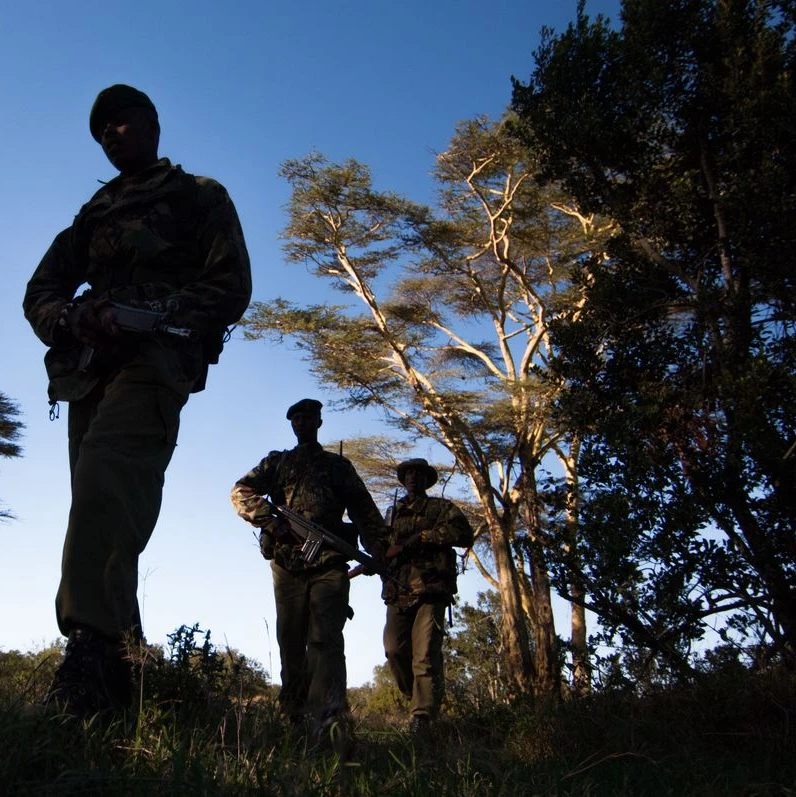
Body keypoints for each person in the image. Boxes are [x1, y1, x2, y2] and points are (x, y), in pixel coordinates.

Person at [23, 84, 252, 719]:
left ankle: (91, 656)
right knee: (103, 505)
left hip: (155, 362)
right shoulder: (90, 216)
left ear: (152, 123)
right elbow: (39, 291)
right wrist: (74, 318)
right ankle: (128, 664)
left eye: (121, 121)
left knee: (105, 480)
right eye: (101, 129)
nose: (110, 133)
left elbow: (230, 286)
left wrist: (151, 315)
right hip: (88, 373)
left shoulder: (198, 196)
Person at [230, 399, 386, 737]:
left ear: (318, 422)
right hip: (287, 564)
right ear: (292, 424)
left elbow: (365, 511)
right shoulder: (277, 462)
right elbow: (240, 491)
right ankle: (293, 716)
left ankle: (329, 718)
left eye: (308, 418)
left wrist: (380, 554)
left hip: (329, 561)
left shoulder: (337, 466)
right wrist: (271, 521)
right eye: (296, 418)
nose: (302, 423)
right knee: (290, 640)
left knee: (326, 639)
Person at [376, 458, 474, 730]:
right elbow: (382, 546)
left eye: (417, 474)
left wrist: (421, 539)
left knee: (425, 655)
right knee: (393, 650)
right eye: (407, 473)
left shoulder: (441, 508)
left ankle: (423, 717)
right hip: (397, 591)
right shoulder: (391, 513)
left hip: (430, 590)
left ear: (426, 479)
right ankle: (416, 696)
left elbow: (464, 534)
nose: (411, 478)